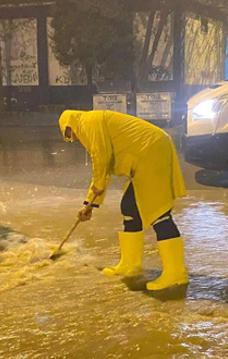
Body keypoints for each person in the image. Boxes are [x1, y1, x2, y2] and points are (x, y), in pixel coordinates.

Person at [58, 110, 188, 291]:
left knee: (158, 213)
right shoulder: (91, 123)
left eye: (70, 135)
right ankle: (131, 264)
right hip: (146, 155)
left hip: (150, 152)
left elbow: (101, 159)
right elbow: (107, 161)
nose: (75, 140)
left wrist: (91, 200)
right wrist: (90, 204)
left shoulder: (88, 123)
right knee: (129, 208)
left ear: (70, 124)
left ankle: (176, 273)